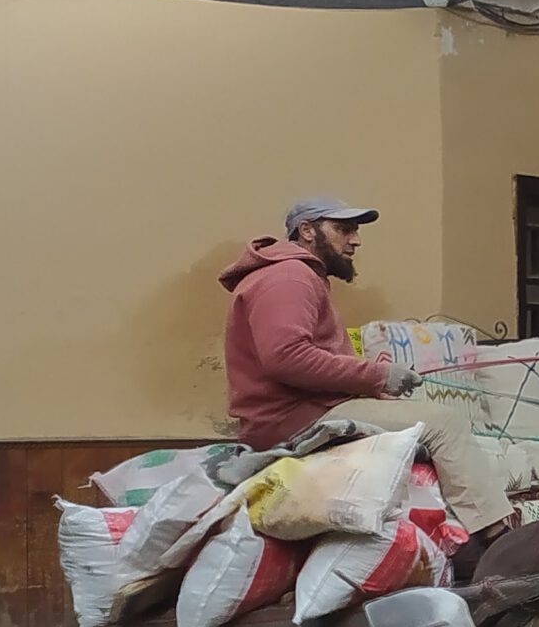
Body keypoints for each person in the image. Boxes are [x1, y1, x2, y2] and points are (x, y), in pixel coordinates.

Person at [219, 198, 516, 543]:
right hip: (296, 419)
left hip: (306, 410)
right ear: (306, 230)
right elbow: (287, 357)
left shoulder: (293, 275)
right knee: (443, 422)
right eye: (343, 229)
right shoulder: (290, 277)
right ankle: (498, 538)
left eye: (355, 230)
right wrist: (376, 375)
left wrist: (372, 386)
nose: (355, 240)